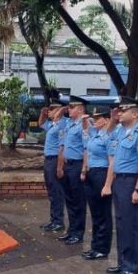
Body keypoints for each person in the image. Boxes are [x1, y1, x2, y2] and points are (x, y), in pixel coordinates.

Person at [104, 96, 138, 274]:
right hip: (120, 182)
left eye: (123, 110)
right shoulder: (122, 131)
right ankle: (123, 263)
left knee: (132, 227)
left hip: (132, 182)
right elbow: (108, 134)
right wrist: (114, 118)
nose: (120, 112)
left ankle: (132, 267)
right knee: (122, 225)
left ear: (135, 113)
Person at [80, 104, 114, 260]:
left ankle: (102, 248)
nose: (96, 120)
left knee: (103, 214)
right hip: (92, 173)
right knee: (95, 213)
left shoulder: (108, 136)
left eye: (99, 118)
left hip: (102, 174)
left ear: (107, 120)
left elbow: (111, 162)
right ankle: (95, 246)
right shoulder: (95, 133)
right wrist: (85, 170)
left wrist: (107, 184)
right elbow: (86, 127)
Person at [56, 95, 88, 245]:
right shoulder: (69, 124)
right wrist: (61, 166)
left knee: (78, 201)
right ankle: (71, 230)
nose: (69, 109)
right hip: (68, 165)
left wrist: (83, 169)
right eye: (68, 107)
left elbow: (86, 149)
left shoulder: (84, 124)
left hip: (77, 165)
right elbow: (63, 146)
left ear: (80, 109)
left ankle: (78, 233)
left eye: (71, 107)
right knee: (69, 199)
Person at [38, 96, 68, 234]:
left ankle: (58, 221)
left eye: (52, 109)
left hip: (55, 159)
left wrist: (59, 166)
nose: (48, 111)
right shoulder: (53, 125)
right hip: (48, 159)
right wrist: (42, 114)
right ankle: (53, 220)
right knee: (51, 191)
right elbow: (41, 124)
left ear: (59, 110)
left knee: (57, 192)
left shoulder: (63, 124)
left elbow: (62, 147)